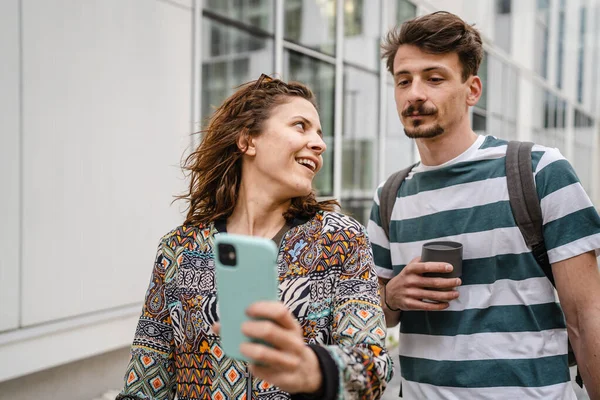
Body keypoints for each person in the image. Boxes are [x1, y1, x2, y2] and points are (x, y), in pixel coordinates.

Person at [116, 74, 393, 400]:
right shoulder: (178, 249)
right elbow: (145, 382)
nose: (320, 143)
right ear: (248, 140)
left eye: (319, 133)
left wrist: (312, 369)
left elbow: (374, 367)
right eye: (301, 126)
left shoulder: (340, 240)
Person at [368, 11, 600, 399]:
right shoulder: (389, 196)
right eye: (403, 81)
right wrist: (391, 296)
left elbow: (586, 316)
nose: (415, 94)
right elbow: (380, 317)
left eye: (434, 78)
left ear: (472, 89)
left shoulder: (540, 171)